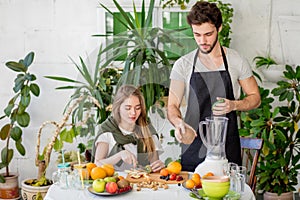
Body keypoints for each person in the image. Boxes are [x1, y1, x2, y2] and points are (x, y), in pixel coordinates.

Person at [167, 1, 261, 172]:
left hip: (227, 148)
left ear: (219, 28)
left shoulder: (236, 61)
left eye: (208, 34)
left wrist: (234, 105)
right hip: (193, 147)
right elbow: (172, 106)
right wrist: (179, 123)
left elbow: (255, 97)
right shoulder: (183, 65)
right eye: (197, 35)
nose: (202, 41)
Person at [92, 84, 165, 172]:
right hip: (114, 183)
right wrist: (119, 155)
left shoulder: (147, 130)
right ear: (118, 108)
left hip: (142, 183)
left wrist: (159, 166)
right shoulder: (107, 131)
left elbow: (154, 166)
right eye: (128, 108)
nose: (133, 113)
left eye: (137, 108)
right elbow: (97, 164)